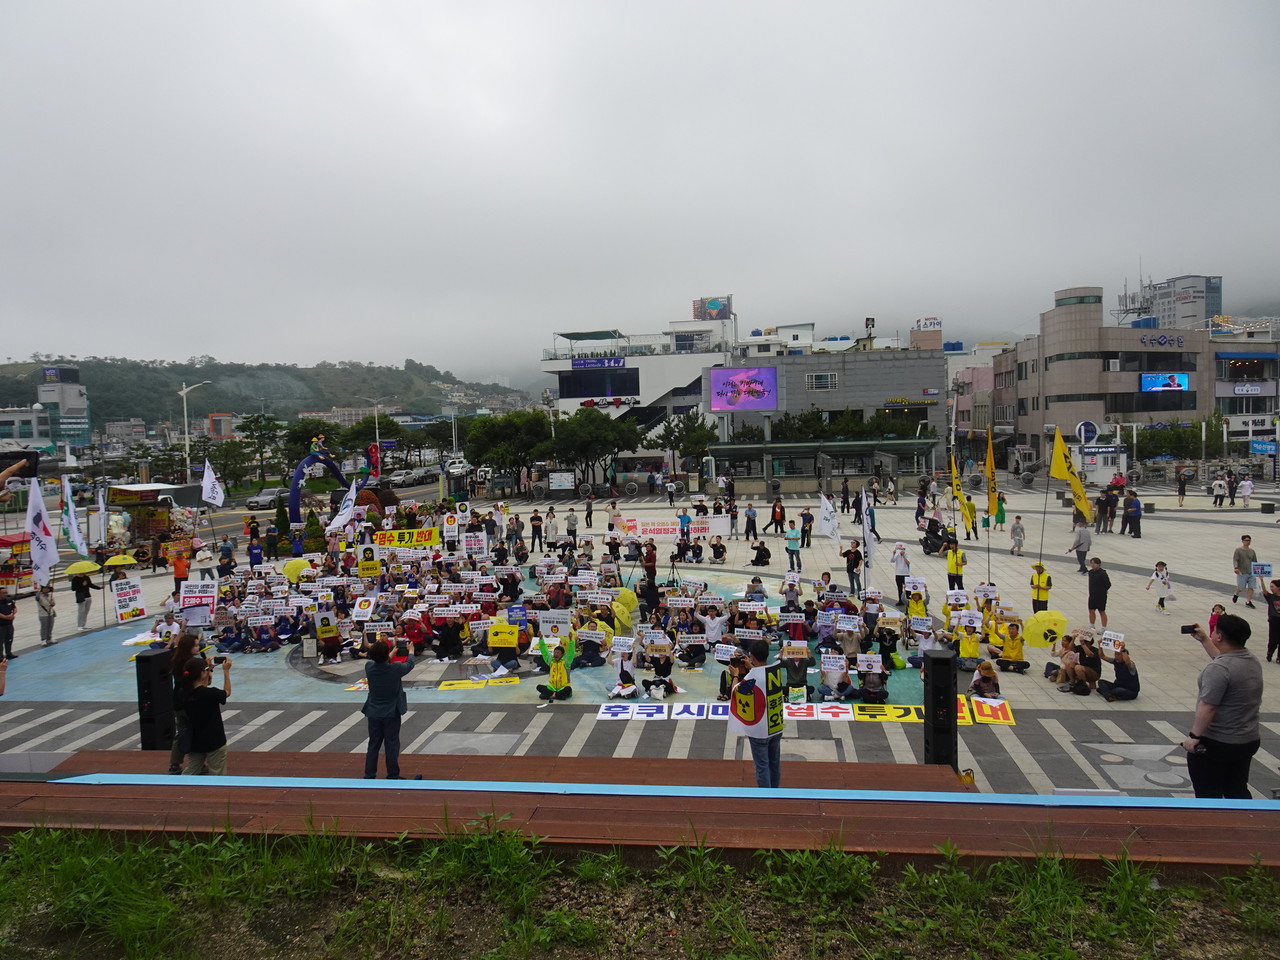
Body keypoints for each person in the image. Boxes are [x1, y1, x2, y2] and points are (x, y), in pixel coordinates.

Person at [1181, 614, 1263, 799]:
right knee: (1237, 790)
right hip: (1247, 740)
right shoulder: (1250, 660)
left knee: (1208, 794)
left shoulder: (1219, 669)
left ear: (1219, 636)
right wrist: (1204, 640)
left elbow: (1208, 707)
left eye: (1215, 631)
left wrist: (1194, 737)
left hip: (1217, 744)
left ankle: (1213, 827)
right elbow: (1225, 660)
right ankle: (1246, 823)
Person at [362, 638, 416, 779]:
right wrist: (411, 651)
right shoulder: (396, 668)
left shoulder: (369, 667)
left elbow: (379, 661)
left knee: (373, 743)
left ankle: (369, 774)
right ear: (386, 655)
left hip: (373, 711)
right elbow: (410, 664)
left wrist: (391, 652)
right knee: (391, 743)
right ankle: (392, 774)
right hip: (391, 711)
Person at [738, 639, 782, 789]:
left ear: (752, 656)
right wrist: (752, 668)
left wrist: (736, 675)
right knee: (774, 763)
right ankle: (775, 792)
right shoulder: (775, 669)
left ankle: (766, 798)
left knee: (762, 765)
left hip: (758, 729)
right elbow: (760, 676)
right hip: (775, 724)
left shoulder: (751, 678)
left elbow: (738, 693)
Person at [181, 656, 232, 776]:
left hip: (194, 740)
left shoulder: (183, 692)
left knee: (192, 769)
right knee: (217, 772)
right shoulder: (210, 694)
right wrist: (226, 671)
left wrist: (208, 670)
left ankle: (180, 787)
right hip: (214, 740)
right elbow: (227, 692)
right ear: (202, 674)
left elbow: (201, 685)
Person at [1231, 535, 1259, 608]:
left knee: (1251, 587)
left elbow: (1255, 561)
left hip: (1251, 572)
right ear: (1242, 541)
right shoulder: (1238, 550)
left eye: (1249, 540)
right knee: (1241, 587)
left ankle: (1248, 601)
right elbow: (1235, 560)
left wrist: (1257, 571)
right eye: (1246, 540)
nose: (1248, 542)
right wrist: (1236, 568)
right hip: (1242, 572)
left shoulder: (1252, 551)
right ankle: (1236, 594)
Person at [1087, 558, 1111, 628]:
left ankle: (1104, 627)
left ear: (1099, 564)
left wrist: (1103, 590)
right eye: (1091, 563)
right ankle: (1092, 625)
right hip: (1092, 595)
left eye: (1094, 563)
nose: (1092, 565)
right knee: (1091, 610)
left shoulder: (1102, 573)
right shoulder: (1091, 572)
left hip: (1101, 596)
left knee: (1101, 611)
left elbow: (1108, 584)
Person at [1266, 579, 1280, 664]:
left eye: (1272, 587)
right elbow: (1264, 592)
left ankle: (1279, 657)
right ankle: (1270, 653)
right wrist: (1261, 580)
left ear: (1278, 588)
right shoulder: (1271, 597)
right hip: (1274, 620)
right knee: (1273, 640)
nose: (1271, 588)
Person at [0, 588, 14, 661]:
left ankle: (9, 653)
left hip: (9, 624)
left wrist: (12, 614)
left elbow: (14, 608)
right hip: (1, 625)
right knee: (0, 641)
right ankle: (0, 656)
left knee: (9, 639)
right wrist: (6, 617)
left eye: (6, 592)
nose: (5, 594)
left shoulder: (9, 600)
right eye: (4, 593)